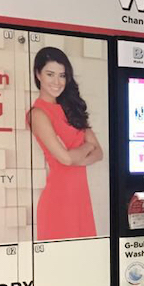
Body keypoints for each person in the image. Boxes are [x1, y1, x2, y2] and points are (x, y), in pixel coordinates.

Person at [29, 47, 103, 241]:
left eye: (62, 75)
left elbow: (100, 153)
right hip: (59, 201)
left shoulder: (71, 109)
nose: (57, 82)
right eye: (50, 74)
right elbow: (66, 159)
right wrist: (86, 148)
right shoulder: (38, 114)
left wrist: (76, 156)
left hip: (80, 200)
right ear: (38, 74)